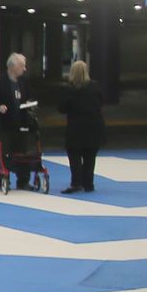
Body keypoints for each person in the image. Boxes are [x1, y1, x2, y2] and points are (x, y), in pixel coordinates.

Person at [0, 53, 35, 191]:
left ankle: (23, 180)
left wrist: (30, 102)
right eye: (22, 66)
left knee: (22, 153)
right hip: (4, 124)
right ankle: (3, 176)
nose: (24, 69)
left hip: (22, 123)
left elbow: (30, 95)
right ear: (12, 67)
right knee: (4, 152)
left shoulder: (24, 81)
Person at [56, 59, 105, 193]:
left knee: (74, 155)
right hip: (94, 125)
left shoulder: (67, 88)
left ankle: (76, 183)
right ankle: (88, 184)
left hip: (76, 126)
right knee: (90, 155)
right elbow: (101, 102)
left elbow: (62, 108)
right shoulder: (95, 86)